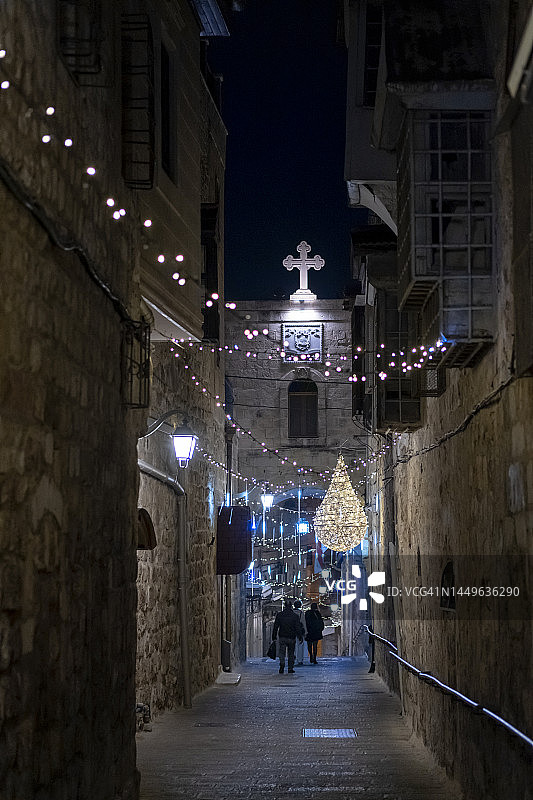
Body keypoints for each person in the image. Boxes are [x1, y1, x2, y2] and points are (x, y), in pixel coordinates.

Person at [272, 600, 304, 674]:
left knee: (282, 652)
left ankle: (282, 664)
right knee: (291, 653)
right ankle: (290, 668)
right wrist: (300, 636)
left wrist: (274, 636)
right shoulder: (295, 616)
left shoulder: (280, 615)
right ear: (291, 606)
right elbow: (297, 627)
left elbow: (276, 626)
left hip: (282, 636)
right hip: (291, 637)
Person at [293, 600, 307, 666]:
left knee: (293, 645)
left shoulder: (291, 612)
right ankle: (300, 660)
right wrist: (306, 632)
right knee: (300, 645)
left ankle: (293, 657)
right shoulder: (301, 613)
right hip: (299, 632)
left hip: (292, 631)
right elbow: (303, 623)